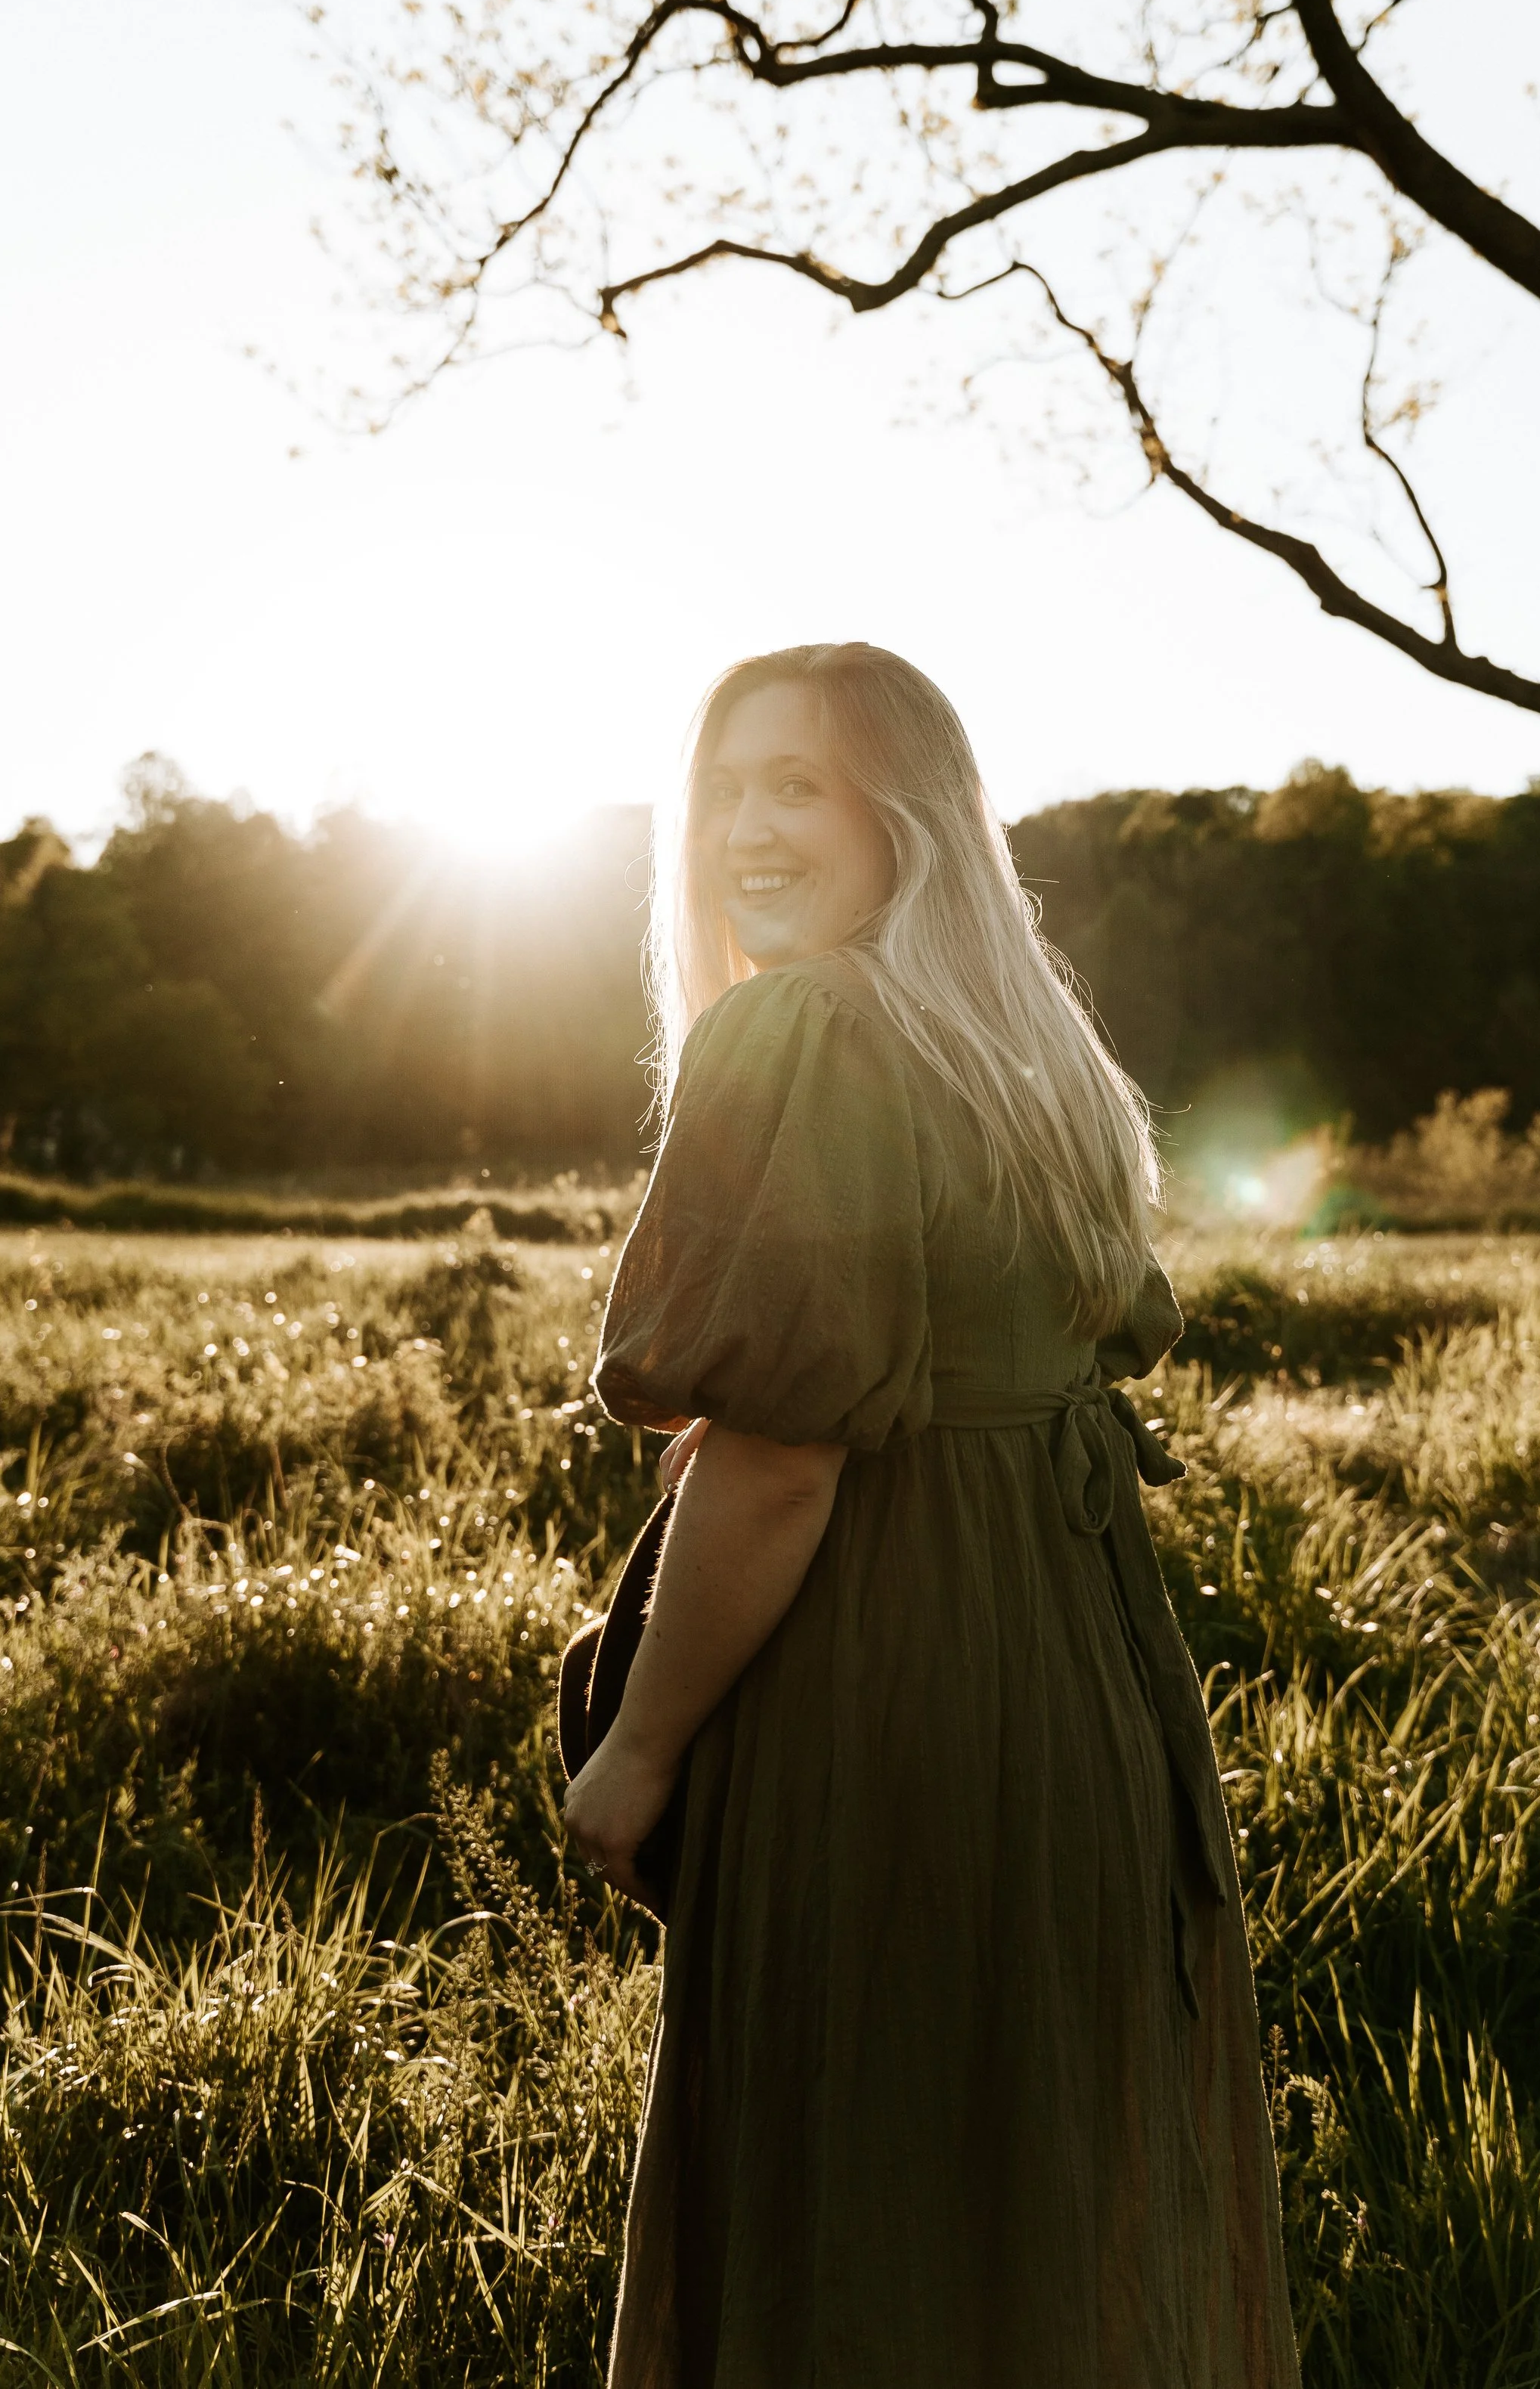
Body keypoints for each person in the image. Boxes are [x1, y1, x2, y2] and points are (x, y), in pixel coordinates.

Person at [563, 643, 1298, 2389]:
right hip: (1078, 1687)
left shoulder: (799, 1025)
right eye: (727, 786)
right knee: (1031, 2204)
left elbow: (783, 1462)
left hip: (885, 1689)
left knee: (861, 2219)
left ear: (901, 817)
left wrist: (640, 1748)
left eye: (796, 785)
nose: (747, 824)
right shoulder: (1024, 1049)